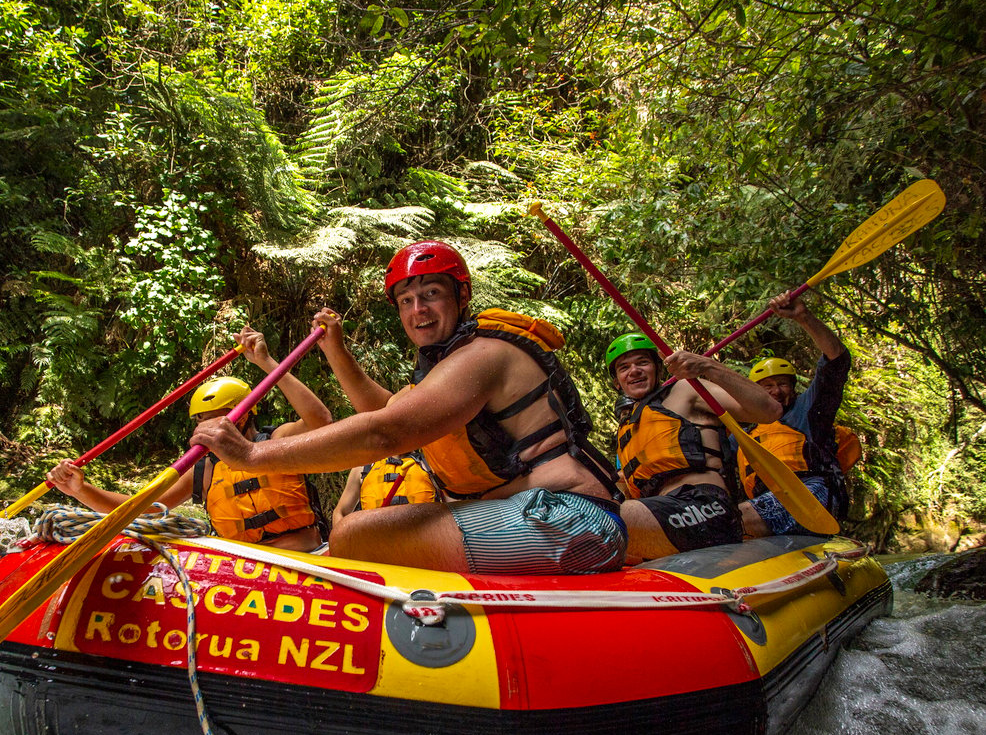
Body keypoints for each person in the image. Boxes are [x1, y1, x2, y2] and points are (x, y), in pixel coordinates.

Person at [191, 240, 627, 576]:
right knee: (366, 528)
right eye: (406, 300)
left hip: (569, 518)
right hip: (530, 511)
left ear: (461, 297)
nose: (418, 309)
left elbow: (386, 433)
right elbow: (383, 410)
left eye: (431, 293)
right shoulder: (445, 368)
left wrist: (250, 456)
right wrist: (335, 350)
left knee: (357, 533)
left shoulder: (482, 354)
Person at [46, 325, 332, 552]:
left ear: (242, 415)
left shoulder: (277, 441)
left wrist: (266, 362)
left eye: (215, 417)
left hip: (307, 556)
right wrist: (80, 490)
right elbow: (141, 510)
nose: (205, 427)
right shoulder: (203, 468)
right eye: (200, 419)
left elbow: (320, 421)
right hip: (245, 567)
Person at [607, 331, 781, 561]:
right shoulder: (628, 428)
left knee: (603, 518)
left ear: (659, 369)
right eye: (624, 367)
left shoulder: (685, 391)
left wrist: (707, 366)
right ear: (616, 382)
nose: (634, 371)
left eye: (643, 362)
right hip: (665, 517)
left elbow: (769, 410)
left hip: (706, 506)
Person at [735, 292, 853, 538]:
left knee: (730, 521)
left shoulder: (808, 412)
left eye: (782, 384)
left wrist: (804, 317)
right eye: (766, 387)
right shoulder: (740, 435)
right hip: (763, 503)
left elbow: (836, 362)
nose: (776, 391)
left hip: (811, 493)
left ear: (793, 387)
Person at [330, 451, 439, 527]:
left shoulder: (431, 465)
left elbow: (454, 510)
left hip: (422, 549)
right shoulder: (362, 468)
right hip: (376, 549)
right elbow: (340, 512)